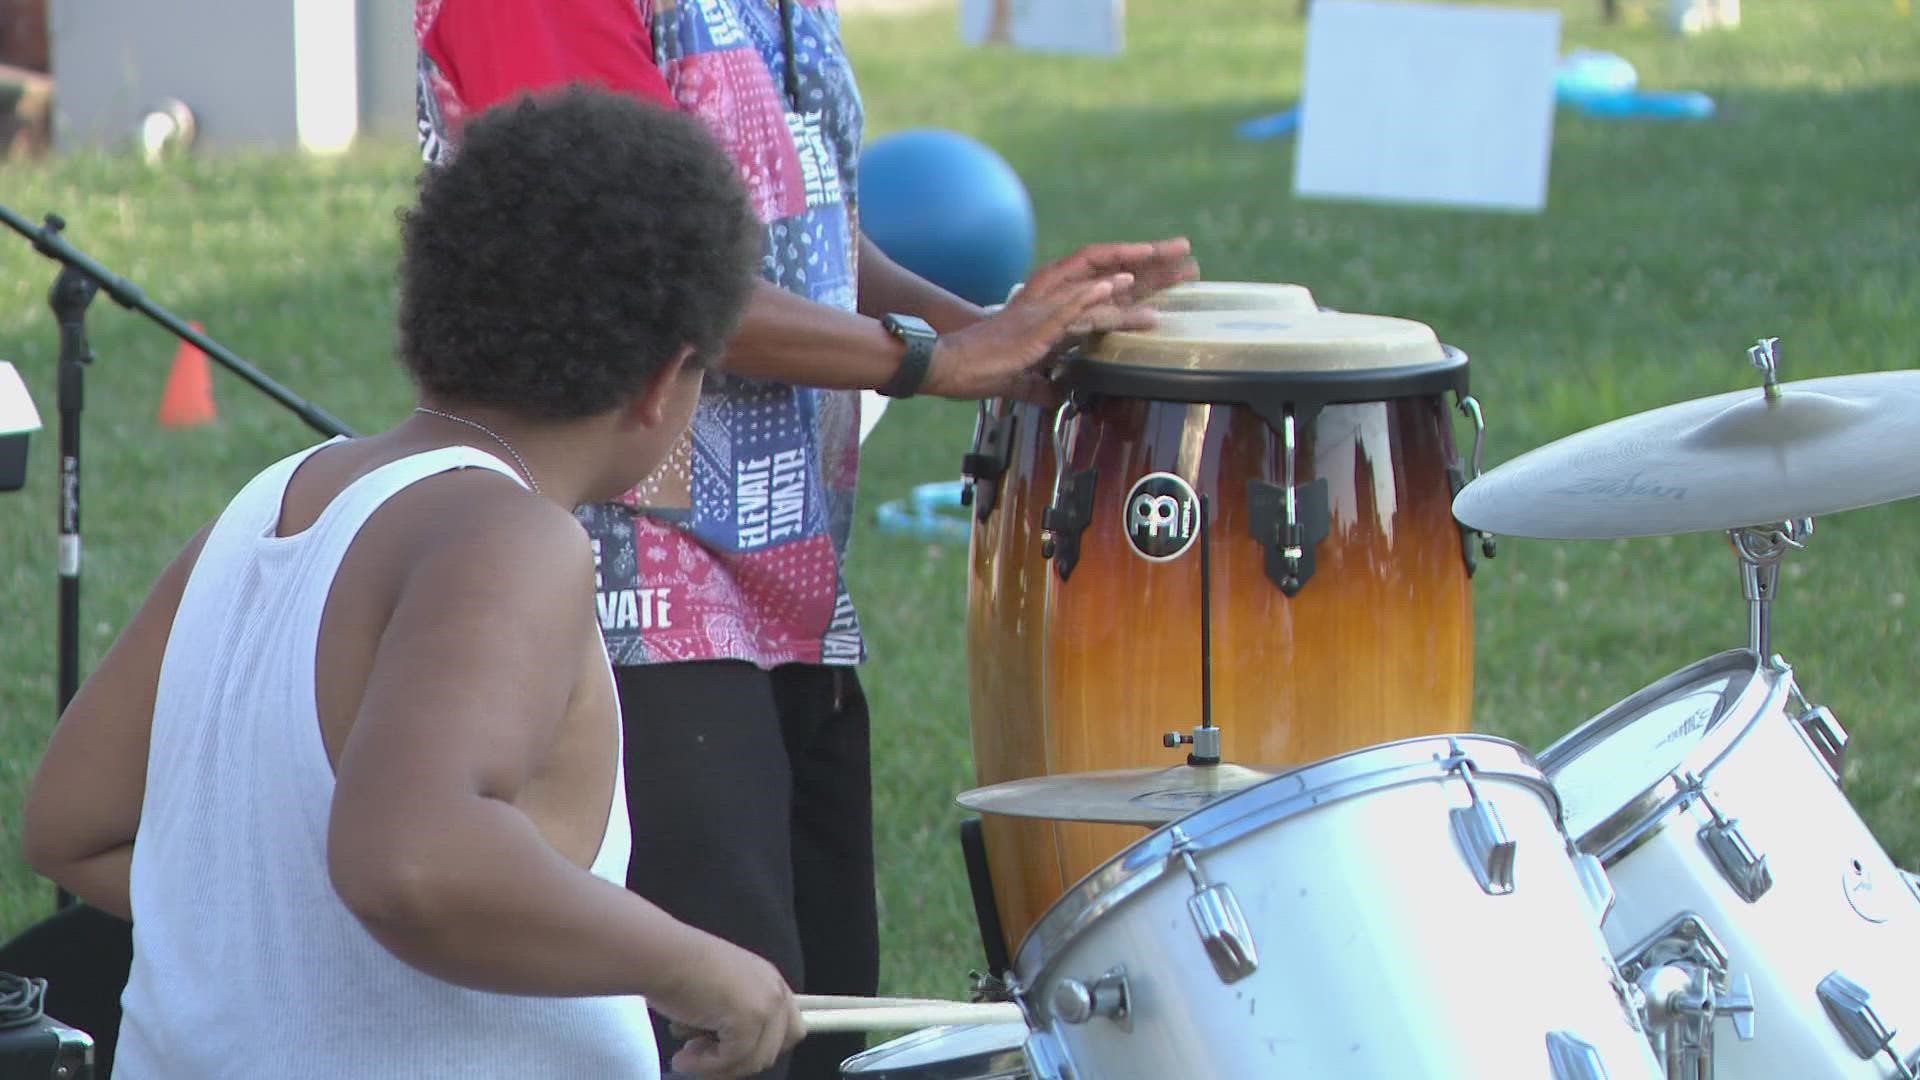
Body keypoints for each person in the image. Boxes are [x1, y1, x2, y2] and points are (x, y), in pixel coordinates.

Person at [21, 86, 864, 1079]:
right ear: (662, 381)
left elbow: (69, 826)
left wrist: (307, 934)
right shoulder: (515, 540)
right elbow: (412, 859)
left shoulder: (261, 508)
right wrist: (688, 963)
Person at [416, 4, 1196, 1076]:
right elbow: (629, 259)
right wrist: (927, 363)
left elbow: (811, 240)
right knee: (714, 1033)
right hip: (620, 584)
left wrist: (999, 338)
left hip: (787, 584)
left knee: (818, 1017)